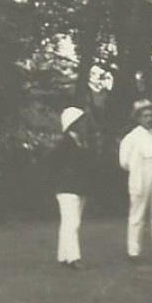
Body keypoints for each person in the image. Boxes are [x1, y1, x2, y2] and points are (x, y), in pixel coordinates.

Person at [118, 98, 152, 259]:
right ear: (138, 118)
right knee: (137, 213)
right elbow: (124, 162)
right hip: (140, 173)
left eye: (151, 115)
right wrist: (137, 168)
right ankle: (133, 251)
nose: (149, 119)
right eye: (145, 116)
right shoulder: (132, 137)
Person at [53, 106, 90, 268]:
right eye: (81, 122)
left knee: (69, 222)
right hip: (67, 188)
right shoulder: (65, 143)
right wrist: (63, 175)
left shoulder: (79, 142)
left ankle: (63, 256)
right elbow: (51, 162)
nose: (85, 125)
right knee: (71, 222)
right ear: (72, 124)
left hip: (77, 187)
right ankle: (74, 257)